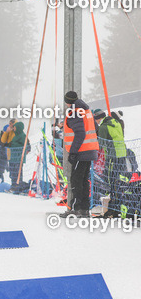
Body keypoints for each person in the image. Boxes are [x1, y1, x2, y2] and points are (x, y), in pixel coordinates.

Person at [61, 90, 98, 218]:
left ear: (67, 102)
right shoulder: (86, 111)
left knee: (76, 180)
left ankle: (76, 208)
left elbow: (80, 133)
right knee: (83, 180)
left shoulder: (74, 113)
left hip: (81, 152)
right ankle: (84, 209)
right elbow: (95, 128)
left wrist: (73, 152)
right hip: (90, 150)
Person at [95, 109, 127, 217]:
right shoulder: (115, 122)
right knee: (117, 181)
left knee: (111, 181)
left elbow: (101, 143)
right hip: (122, 154)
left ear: (99, 118)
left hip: (113, 156)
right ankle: (117, 206)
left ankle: (113, 208)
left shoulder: (104, 127)